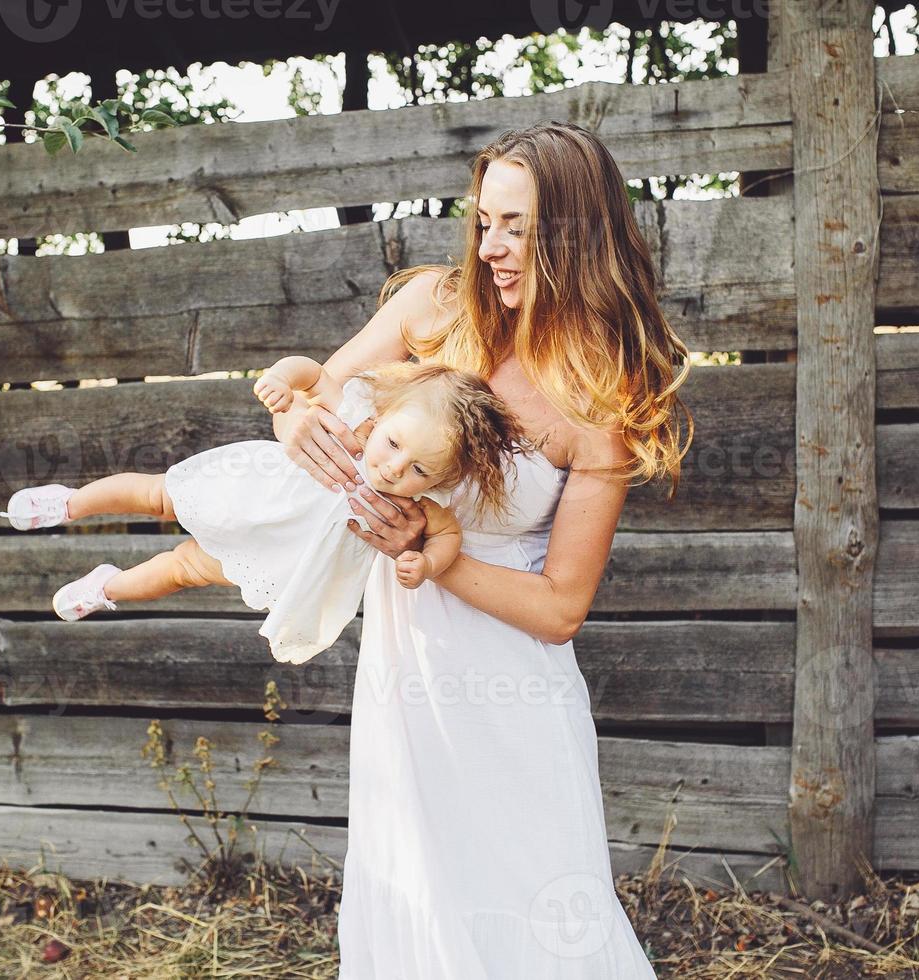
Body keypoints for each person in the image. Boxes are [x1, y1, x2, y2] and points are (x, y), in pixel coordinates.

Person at [271, 121, 693, 977]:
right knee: (413, 905)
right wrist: (292, 420)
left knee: (533, 925)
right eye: (483, 221)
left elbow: (561, 607)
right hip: (404, 689)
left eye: (518, 230)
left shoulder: (600, 400)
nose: (491, 247)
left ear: (577, 239)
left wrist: (442, 554)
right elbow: (317, 392)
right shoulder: (433, 307)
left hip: (511, 706)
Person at [0, 356, 530, 665]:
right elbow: (312, 373)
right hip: (248, 494)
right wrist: (281, 378)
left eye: (419, 470)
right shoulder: (354, 422)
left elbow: (447, 535)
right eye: (393, 444)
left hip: (277, 555)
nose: (395, 469)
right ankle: (70, 502)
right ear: (385, 416)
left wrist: (428, 564)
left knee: (182, 569)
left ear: (441, 480)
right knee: (157, 494)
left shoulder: (419, 504)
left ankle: (107, 588)